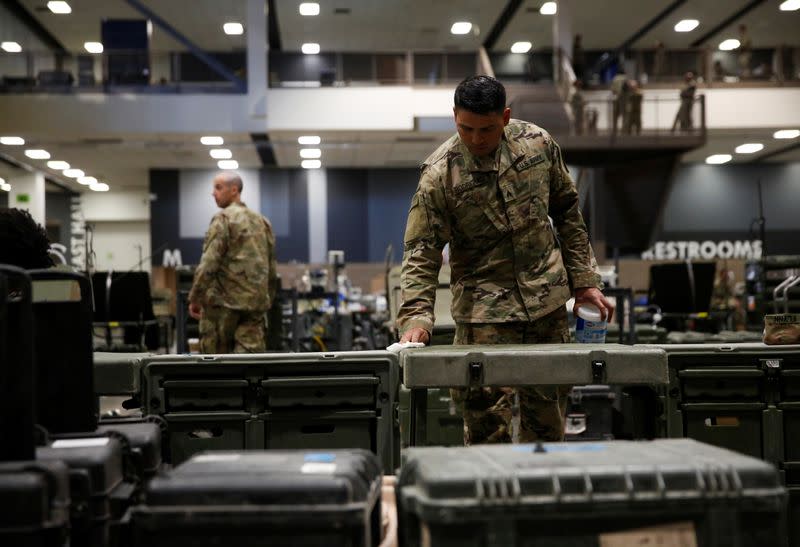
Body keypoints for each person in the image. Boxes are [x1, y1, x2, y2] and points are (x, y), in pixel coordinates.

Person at [397, 75, 613, 445]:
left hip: (546, 309)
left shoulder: (539, 145)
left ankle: (539, 499)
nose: (477, 139)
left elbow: (568, 216)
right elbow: (422, 252)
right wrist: (417, 318)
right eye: (466, 128)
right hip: (484, 316)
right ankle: (492, 501)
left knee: (546, 428)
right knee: (485, 432)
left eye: (487, 129)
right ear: (454, 118)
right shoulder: (438, 175)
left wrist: (585, 282)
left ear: (506, 117)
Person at [188, 172, 277, 353]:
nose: (213, 193)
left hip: (223, 307)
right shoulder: (262, 222)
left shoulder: (223, 219)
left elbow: (209, 263)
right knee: (249, 366)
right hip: (254, 307)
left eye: (218, 188)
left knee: (219, 369)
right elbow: (271, 268)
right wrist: (266, 300)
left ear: (234, 190)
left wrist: (196, 297)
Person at [610, 68, 629, 134]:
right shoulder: (625, 78)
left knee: (615, 115)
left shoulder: (614, 78)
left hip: (616, 98)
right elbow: (627, 89)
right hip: (623, 98)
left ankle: (614, 130)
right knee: (625, 115)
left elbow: (612, 90)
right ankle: (624, 130)